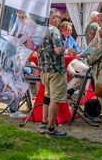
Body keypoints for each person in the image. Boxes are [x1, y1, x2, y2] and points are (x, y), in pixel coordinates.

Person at [37, 8, 67, 137]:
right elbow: (58, 50)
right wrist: (64, 46)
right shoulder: (54, 30)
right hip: (56, 70)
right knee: (56, 99)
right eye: (59, 18)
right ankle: (51, 129)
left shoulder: (39, 30)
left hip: (44, 69)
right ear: (53, 17)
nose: (60, 21)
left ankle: (44, 123)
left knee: (48, 97)